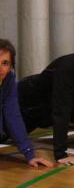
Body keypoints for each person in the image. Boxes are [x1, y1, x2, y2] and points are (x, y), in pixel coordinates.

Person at [0, 39, 53, 167]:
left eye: (5, 63)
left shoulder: (9, 80)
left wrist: (30, 154)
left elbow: (13, 115)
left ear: (11, 66)